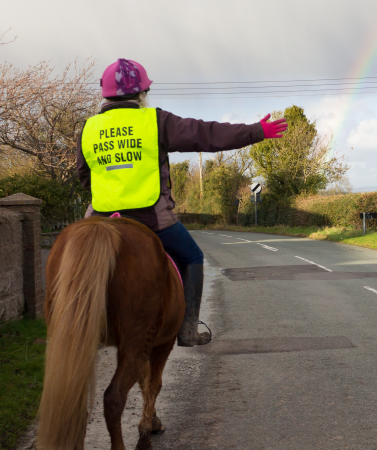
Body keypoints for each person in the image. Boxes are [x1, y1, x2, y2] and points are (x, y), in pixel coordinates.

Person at [76, 58, 288, 346]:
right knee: (192, 258)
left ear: (106, 94)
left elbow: (84, 176)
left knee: (73, 264)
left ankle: (77, 327)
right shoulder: (155, 121)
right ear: (141, 94)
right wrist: (256, 131)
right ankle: (188, 331)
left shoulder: (88, 128)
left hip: (100, 217)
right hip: (149, 217)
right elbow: (206, 134)